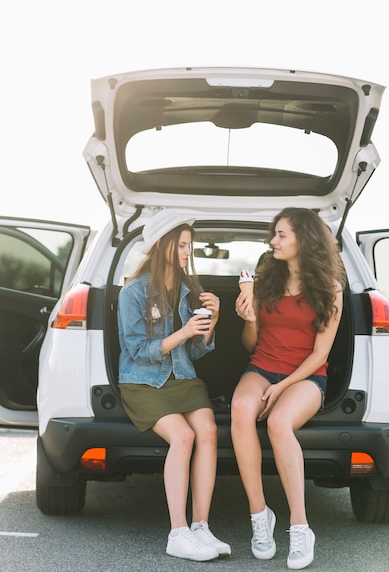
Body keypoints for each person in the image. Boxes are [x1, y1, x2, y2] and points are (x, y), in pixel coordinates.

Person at [231, 207, 345, 570]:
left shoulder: (331, 289)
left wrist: (283, 389)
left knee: (279, 423)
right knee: (240, 410)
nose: (273, 241)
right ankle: (260, 516)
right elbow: (251, 345)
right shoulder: (266, 278)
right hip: (263, 365)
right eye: (274, 234)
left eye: (282, 235)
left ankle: (300, 526)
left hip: (307, 375)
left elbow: (320, 353)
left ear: (304, 239)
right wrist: (249, 319)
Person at [117, 209, 231, 562]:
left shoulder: (188, 290)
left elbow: (194, 351)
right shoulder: (132, 293)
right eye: (182, 245)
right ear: (163, 245)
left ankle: (201, 527)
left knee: (208, 431)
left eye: (188, 246)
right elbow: (137, 352)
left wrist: (212, 323)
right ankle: (178, 532)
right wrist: (181, 332)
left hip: (182, 377)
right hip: (142, 382)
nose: (187, 252)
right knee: (183, 437)